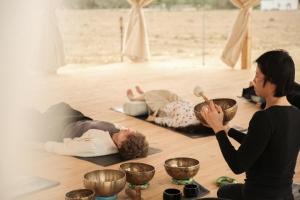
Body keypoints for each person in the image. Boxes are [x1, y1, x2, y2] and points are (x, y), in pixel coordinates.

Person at [200, 50, 300, 200]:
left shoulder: (264, 118)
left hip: (257, 195)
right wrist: (228, 130)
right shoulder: (296, 113)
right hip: (284, 196)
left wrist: (218, 129)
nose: (253, 81)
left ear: (272, 82)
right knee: (224, 191)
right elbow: (260, 143)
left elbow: (237, 165)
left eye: (257, 76)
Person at [31, 102, 148, 160]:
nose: (128, 129)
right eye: (133, 131)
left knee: (31, 116)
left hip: (61, 129)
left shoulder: (95, 146)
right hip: (81, 120)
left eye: (127, 134)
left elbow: (66, 149)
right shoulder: (120, 133)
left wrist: (36, 145)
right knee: (61, 106)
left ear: (120, 144)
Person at [127, 86, 200, 128]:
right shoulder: (203, 115)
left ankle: (133, 98)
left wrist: (155, 119)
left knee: (151, 95)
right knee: (166, 92)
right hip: (181, 102)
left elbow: (171, 122)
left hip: (166, 109)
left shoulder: (187, 123)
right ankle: (144, 94)